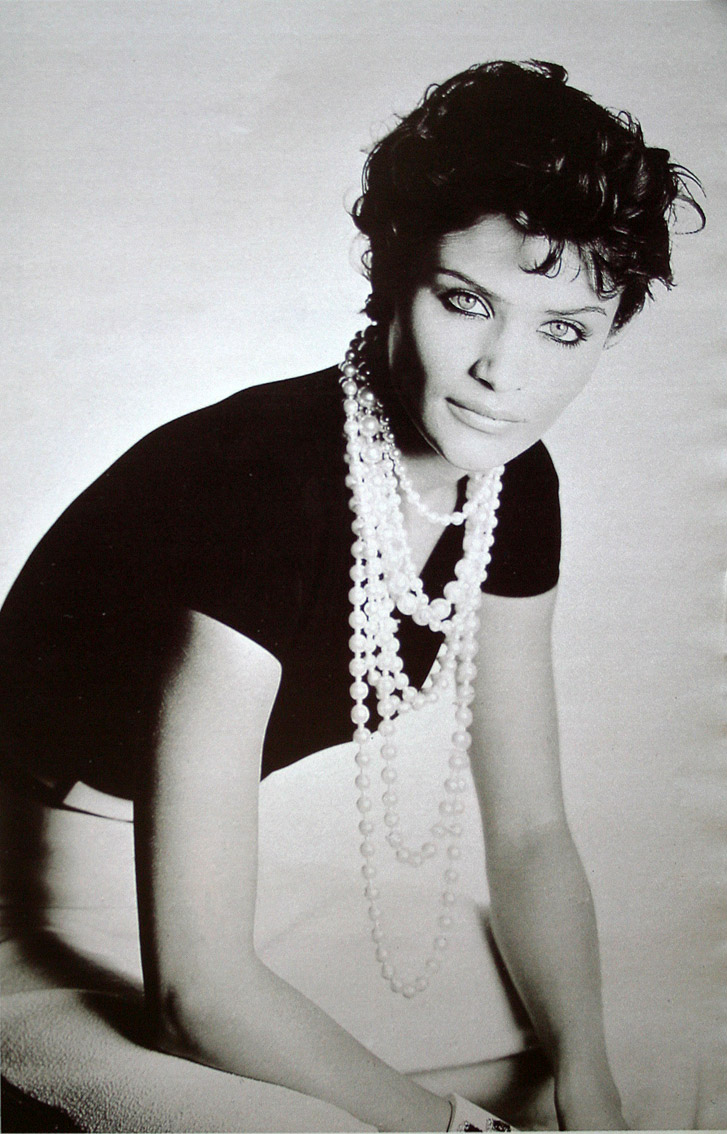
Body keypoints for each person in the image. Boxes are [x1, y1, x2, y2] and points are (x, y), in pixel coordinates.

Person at [0, 60, 703, 1131]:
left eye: (563, 328)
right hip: (27, 897)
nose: (504, 372)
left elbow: (529, 832)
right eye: (465, 302)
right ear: (393, 273)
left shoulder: (510, 482)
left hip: (195, 884)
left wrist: (586, 1083)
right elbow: (200, 996)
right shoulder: (260, 481)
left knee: (668, 1056)